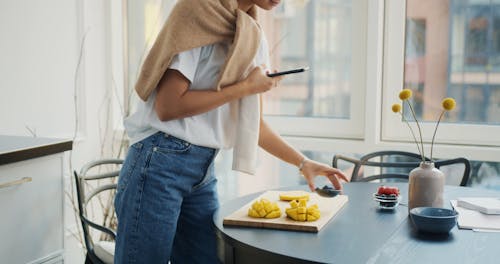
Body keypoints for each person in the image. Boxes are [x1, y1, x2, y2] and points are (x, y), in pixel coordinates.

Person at [114, 0, 348, 263]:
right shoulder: (196, 12)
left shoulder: (252, 36)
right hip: (159, 160)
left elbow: (254, 126)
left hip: (202, 168)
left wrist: (303, 162)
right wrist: (245, 87)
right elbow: (168, 106)